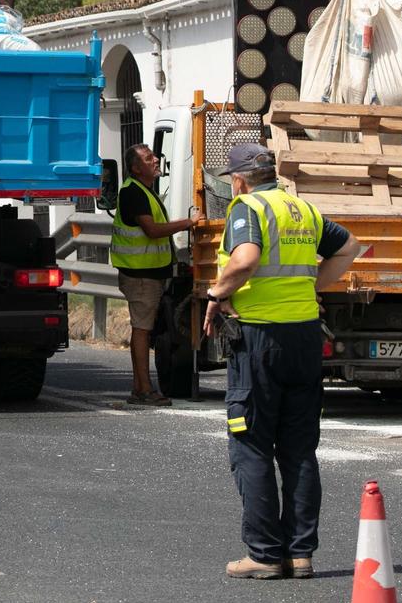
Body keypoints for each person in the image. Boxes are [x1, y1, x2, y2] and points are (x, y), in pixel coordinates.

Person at [204, 143, 360, 580]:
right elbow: (349, 247)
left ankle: (264, 554)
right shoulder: (302, 209)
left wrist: (216, 293)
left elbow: (246, 258)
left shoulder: (247, 207)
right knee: (298, 449)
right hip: (304, 337)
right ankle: (299, 553)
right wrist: (313, 289)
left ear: (238, 179)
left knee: (251, 445)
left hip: (260, 337)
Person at [112, 142, 200, 406]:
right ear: (136, 168)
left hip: (147, 274)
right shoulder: (134, 193)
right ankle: (144, 390)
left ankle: (141, 388)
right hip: (141, 276)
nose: (155, 160)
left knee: (144, 329)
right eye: (149, 158)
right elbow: (152, 230)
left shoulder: (143, 191)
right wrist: (189, 223)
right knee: (142, 330)